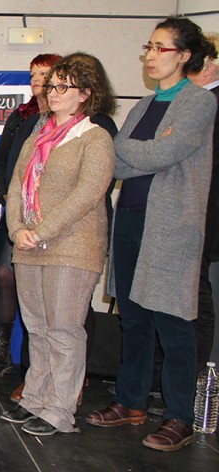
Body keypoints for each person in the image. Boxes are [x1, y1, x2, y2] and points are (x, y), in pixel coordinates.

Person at [86, 17, 218, 452]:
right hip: (131, 218)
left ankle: (179, 416)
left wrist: (135, 151)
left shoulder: (199, 102)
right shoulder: (144, 105)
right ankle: (131, 401)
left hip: (171, 226)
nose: (151, 55)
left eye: (162, 48)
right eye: (150, 46)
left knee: (174, 323)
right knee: (134, 318)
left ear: (184, 55)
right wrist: (141, 152)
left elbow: (166, 152)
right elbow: (118, 161)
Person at [0, 53, 117, 436]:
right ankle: (35, 399)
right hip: (29, 245)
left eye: (63, 86)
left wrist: (42, 231)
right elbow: (17, 186)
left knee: (64, 331)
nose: (53, 92)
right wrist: (17, 229)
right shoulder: (37, 135)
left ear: (86, 93)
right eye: (52, 85)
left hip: (72, 248)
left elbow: (87, 194)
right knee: (38, 328)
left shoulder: (95, 137)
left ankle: (59, 411)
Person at [0, 54, 62, 379]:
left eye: (44, 74)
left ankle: (37, 365)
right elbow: (3, 160)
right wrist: (7, 195)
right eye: (33, 75)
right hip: (16, 212)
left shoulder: (69, 121)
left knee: (42, 288)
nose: (37, 80)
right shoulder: (22, 116)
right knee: (4, 274)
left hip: (51, 217)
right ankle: (2, 351)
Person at [189, 33, 219, 368]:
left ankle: (200, 378)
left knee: (200, 297)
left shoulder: (210, 103)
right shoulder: (188, 102)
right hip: (190, 213)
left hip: (207, 214)